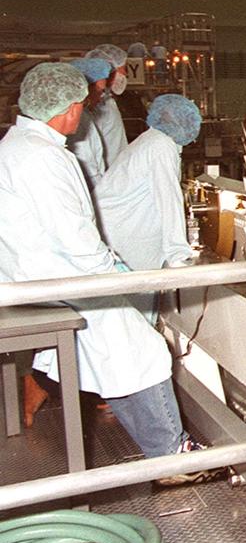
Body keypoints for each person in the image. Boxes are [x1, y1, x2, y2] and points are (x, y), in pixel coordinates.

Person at [0, 63, 203, 477]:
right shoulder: (45, 158)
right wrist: (116, 272)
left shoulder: (16, 145)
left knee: (112, 348)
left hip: (28, 275)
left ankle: (52, 391)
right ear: (70, 109)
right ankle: (171, 455)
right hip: (57, 278)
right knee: (143, 347)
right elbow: (75, 238)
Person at [97, 95, 201, 272]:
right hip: (122, 235)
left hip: (117, 230)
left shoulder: (151, 140)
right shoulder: (161, 146)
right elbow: (168, 200)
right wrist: (178, 254)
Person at [66, 57, 114, 187]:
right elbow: (90, 171)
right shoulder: (80, 121)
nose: (101, 97)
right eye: (100, 91)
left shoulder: (85, 116)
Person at [84, 43, 131, 165]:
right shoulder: (98, 106)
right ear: (110, 71)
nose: (125, 74)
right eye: (123, 68)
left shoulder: (107, 102)